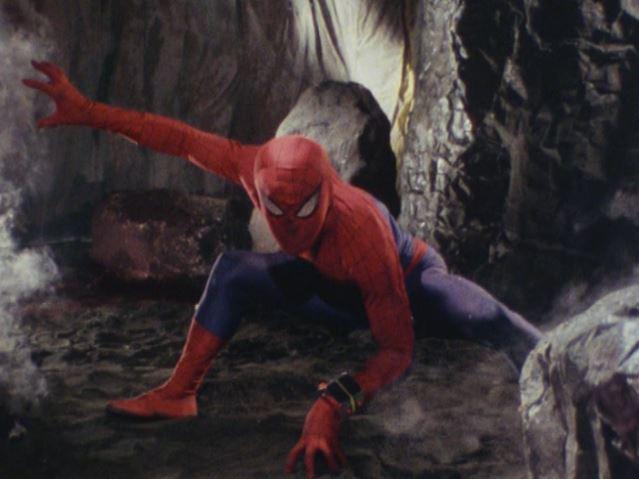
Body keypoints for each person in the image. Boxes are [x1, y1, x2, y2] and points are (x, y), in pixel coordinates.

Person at [24, 60, 543, 478]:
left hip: (407, 283)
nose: (289, 224)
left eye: (304, 209)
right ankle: (178, 394)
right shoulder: (249, 164)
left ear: (328, 192)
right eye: (276, 208)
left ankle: (555, 360)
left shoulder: (359, 230)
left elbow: (396, 349)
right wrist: (89, 111)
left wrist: (332, 404)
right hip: (327, 288)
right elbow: (175, 138)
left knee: (484, 315)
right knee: (233, 269)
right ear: (259, 186)